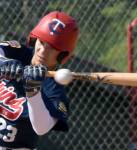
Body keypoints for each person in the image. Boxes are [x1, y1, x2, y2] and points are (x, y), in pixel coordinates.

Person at [0, 11, 79, 150]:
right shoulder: (17, 52)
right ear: (34, 39)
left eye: (52, 48)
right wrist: (4, 62)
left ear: (62, 55)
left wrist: (33, 91)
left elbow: (42, 128)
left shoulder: (54, 90)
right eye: (41, 42)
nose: (42, 51)